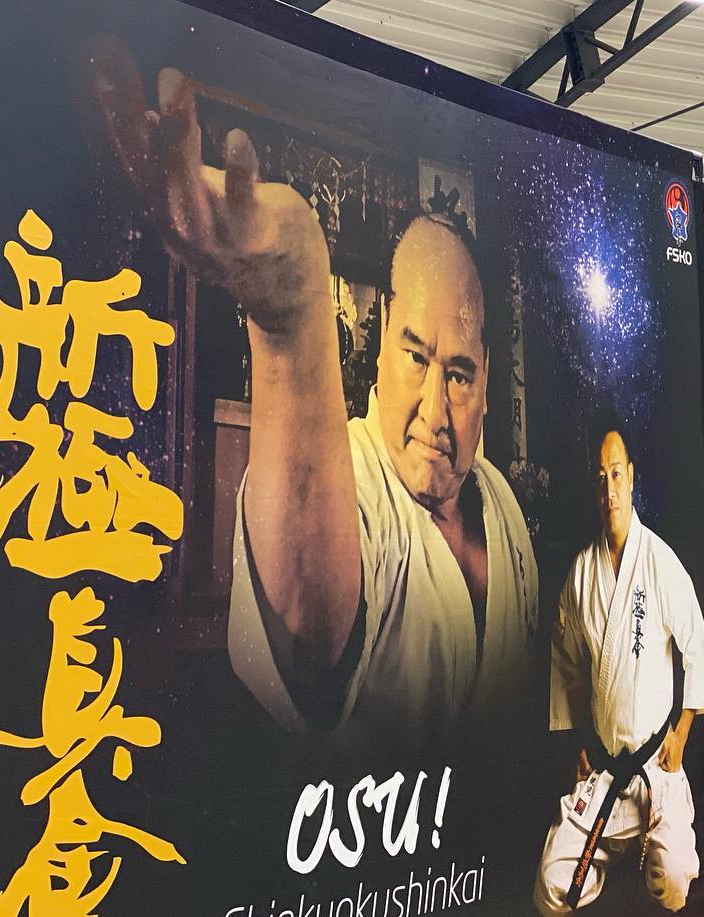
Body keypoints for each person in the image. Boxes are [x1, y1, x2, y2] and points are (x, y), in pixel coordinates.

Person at [85, 39, 537, 748]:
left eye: (458, 374)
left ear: (487, 378)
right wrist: (289, 326)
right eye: (415, 357)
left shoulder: (500, 503)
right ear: (380, 345)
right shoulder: (352, 476)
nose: (434, 410)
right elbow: (309, 633)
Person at [534, 415, 704, 915]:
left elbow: (697, 647)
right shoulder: (580, 574)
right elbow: (566, 665)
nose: (608, 489)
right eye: (599, 478)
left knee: (675, 880)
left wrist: (681, 731)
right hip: (605, 770)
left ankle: (648, 869)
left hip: (656, 767)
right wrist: (578, 742)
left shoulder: (659, 562)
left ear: (631, 476)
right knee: (552, 885)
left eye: (616, 474)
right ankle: (608, 872)